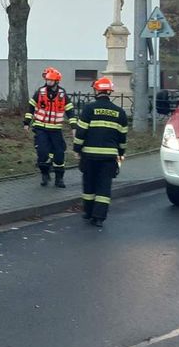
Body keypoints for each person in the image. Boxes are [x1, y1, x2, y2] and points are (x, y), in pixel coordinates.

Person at [73, 77, 128, 227]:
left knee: (89, 184)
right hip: (109, 157)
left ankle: (88, 212)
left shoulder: (89, 109)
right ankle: (99, 217)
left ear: (97, 91)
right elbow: (122, 138)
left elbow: (81, 132)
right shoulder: (120, 112)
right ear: (109, 92)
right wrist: (121, 154)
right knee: (104, 187)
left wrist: (77, 149)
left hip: (89, 155)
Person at [23, 67, 76, 188]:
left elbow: (70, 112)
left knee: (59, 154)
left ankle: (59, 178)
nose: (48, 82)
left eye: (51, 81)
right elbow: (31, 108)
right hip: (41, 128)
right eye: (47, 80)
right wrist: (26, 123)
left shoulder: (62, 94)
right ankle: (45, 174)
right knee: (42, 153)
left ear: (56, 82)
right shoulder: (40, 92)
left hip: (56, 130)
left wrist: (74, 127)